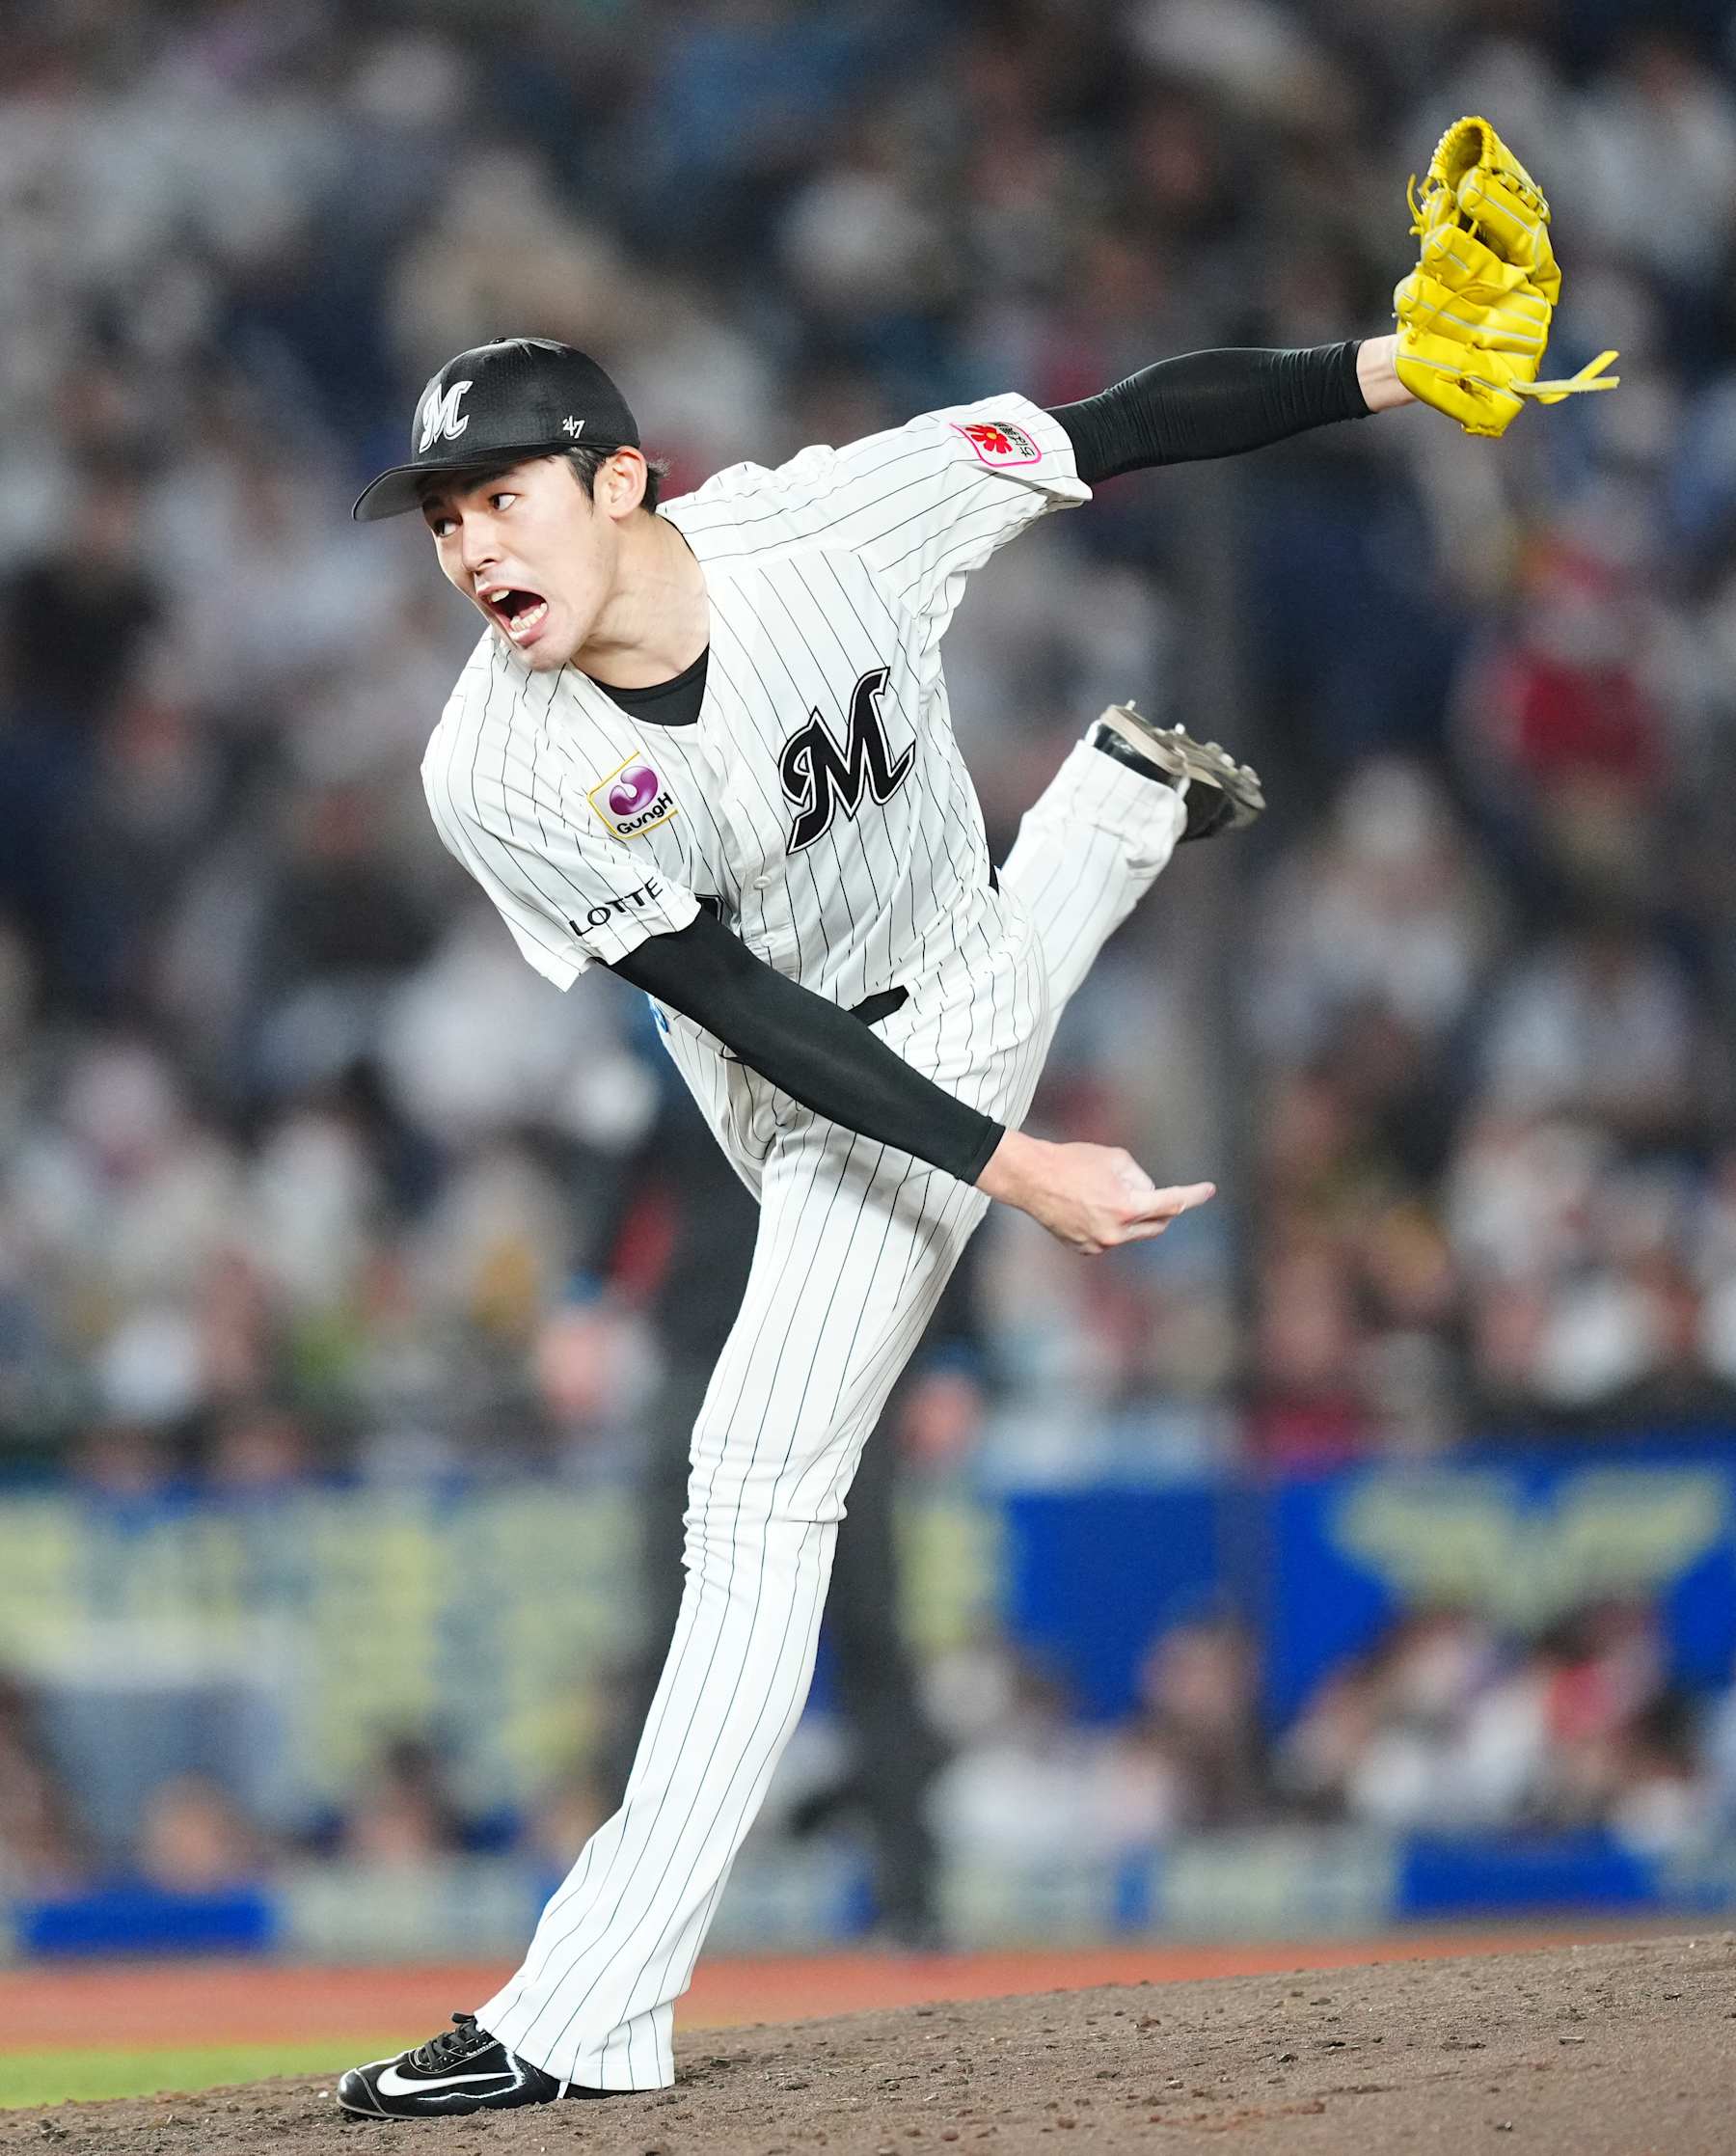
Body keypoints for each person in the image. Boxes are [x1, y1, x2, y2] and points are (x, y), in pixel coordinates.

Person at [338, 129, 1609, 2093]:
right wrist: (1021, 1171)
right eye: (441, 521)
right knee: (823, 1268)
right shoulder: (491, 765)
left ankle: (579, 2015)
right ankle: (1111, 811)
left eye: (501, 496)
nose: (470, 550)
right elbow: (734, 1003)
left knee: (753, 1490)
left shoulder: (839, 523)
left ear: (621, 479)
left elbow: (1125, 425)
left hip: (949, 1004)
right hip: (782, 1077)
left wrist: (1389, 367)